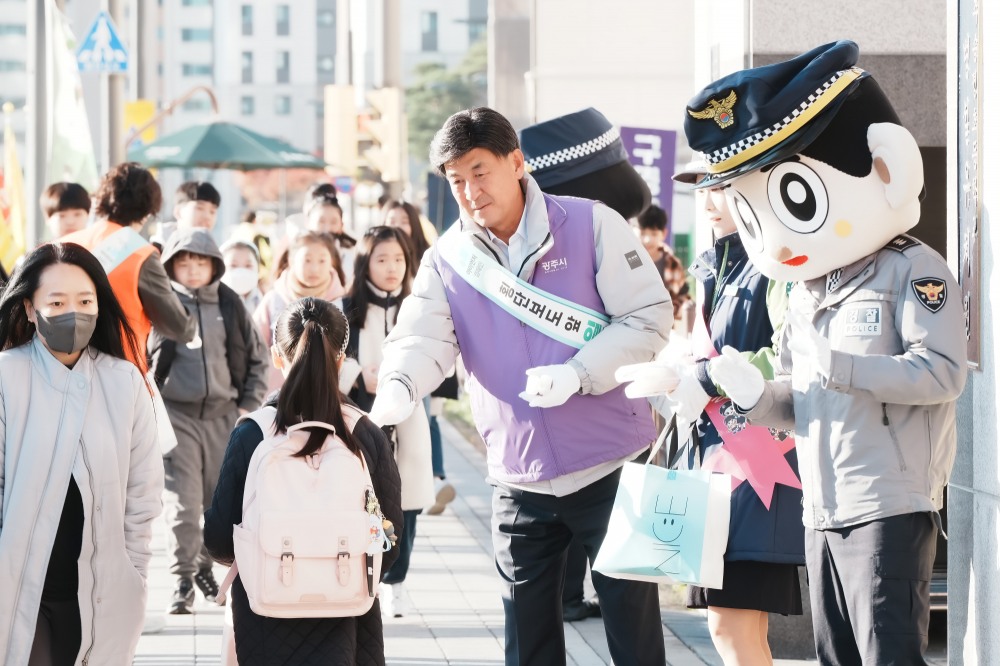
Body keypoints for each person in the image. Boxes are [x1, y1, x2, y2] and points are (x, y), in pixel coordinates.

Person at [685, 41, 967, 665]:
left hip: (889, 501)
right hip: (822, 503)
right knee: (834, 655)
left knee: (888, 652)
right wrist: (756, 396)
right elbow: (800, 399)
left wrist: (842, 368)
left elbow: (942, 374)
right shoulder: (809, 291)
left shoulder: (914, 270)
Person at [369, 107, 672, 665]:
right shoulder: (447, 260)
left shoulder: (589, 223)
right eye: (455, 180)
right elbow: (422, 338)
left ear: (516, 163)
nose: (468, 191)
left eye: (479, 172)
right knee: (526, 642)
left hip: (610, 463)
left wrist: (579, 374)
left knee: (634, 634)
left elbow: (650, 317)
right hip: (518, 475)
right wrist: (399, 385)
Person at [621, 162, 806, 666]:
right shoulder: (715, 265)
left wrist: (704, 378)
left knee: (730, 627)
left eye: (720, 188)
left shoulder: (776, 264)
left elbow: (791, 357)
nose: (707, 203)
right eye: (703, 190)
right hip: (720, 466)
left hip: (759, 464)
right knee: (740, 630)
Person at [204, 297, 404, 665]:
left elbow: (218, 538)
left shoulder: (253, 434)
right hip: (350, 616)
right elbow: (389, 540)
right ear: (342, 361)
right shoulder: (365, 434)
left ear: (277, 357)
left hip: (264, 617)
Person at [518, 106, 655, 625]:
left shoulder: (596, 231)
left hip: (611, 429)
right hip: (538, 447)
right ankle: (572, 596)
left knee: (628, 597)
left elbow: (645, 318)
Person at [0, 242, 164, 664]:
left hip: (101, 594)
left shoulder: (124, 381)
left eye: (85, 300)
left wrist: (135, 573)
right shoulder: (6, 376)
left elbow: (143, 494)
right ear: (31, 309)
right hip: (18, 590)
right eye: (56, 301)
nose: (72, 311)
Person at [148, 228, 269, 614]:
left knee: (215, 502)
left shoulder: (230, 305)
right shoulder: (161, 306)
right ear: (171, 266)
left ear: (214, 264)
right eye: (183, 261)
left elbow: (257, 359)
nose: (192, 268)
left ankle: (204, 565)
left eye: (200, 261)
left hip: (224, 418)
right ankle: (183, 577)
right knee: (182, 501)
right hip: (177, 416)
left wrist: (247, 407)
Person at [341, 225, 434, 619]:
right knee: (358, 499)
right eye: (381, 259)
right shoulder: (345, 310)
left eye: (398, 258)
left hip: (408, 420)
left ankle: (396, 581)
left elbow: (437, 358)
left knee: (406, 504)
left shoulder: (420, 306)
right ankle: (364, 580)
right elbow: (327, 359)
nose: (392, 267)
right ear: (365, 264)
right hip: (357, 419)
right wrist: (359, 375)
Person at [62, 162, 197, 372]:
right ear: (148, 209)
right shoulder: (140, 254)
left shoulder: (62, 244)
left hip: (60, 369)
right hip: (117, 371)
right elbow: (179, 326)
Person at [381, 199, 457, 514]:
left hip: (424, 352)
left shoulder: (430, 257)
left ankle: (430, 483)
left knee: (426, 418)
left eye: (404, 220)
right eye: (392, 219)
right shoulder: (376, 250)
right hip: (388, 362)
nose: (399, 225)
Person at [254, 231, 347, 392]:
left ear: (331, 261)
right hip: (277, 396)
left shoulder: (342, 303)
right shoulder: (274, 299)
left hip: (326, 396)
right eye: (307, 260)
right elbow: (253, 348)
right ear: (291, 260)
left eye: (322, 260)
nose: (315, 268)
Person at [220, 238, 264, 312]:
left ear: (257, 268)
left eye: (248, 265)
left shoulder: (268, 302)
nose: (241, 271)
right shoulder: (211, 303)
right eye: (233, 265)